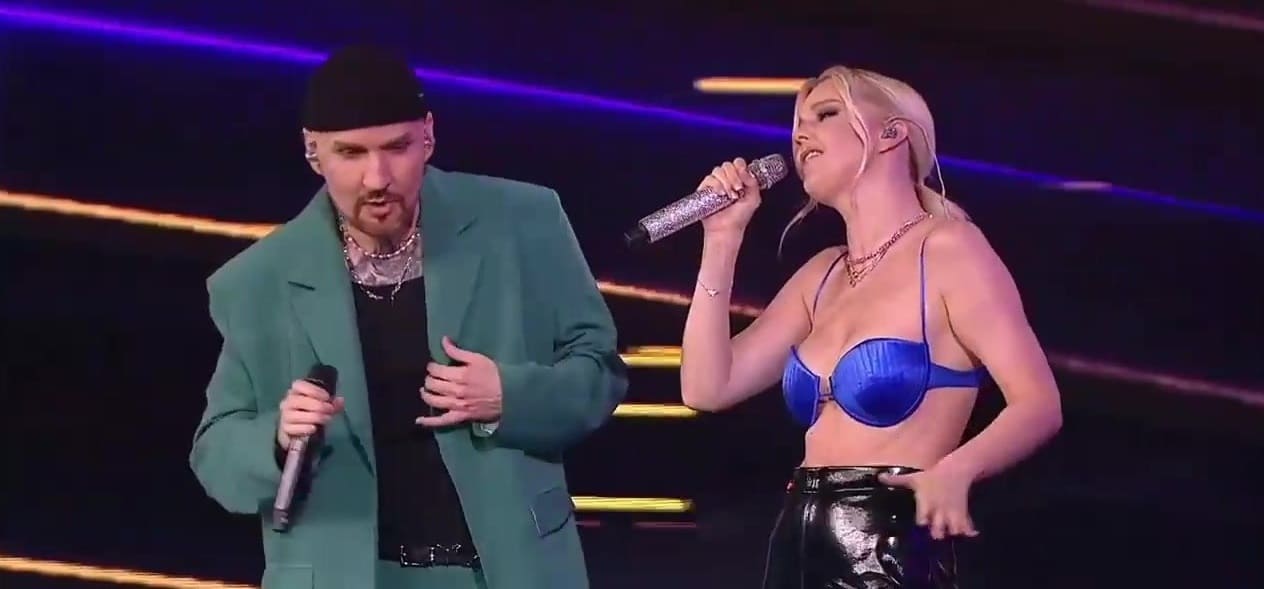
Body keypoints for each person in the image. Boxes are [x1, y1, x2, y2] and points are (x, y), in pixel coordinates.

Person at [188, 44, 628, 589]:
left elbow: (600, 370)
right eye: (351, 153)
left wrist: (509, 396)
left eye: (396, 147)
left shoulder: (522, 221)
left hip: (509, 571)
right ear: (313, 151)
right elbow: (216, 454)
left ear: (428, 136)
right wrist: (278, 437)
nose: (377, 177)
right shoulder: (258, 280)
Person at [679, 65, 1063, 588]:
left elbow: (1038, 403)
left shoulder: (949, 250)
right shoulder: (822, 275)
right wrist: (722, 241)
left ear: (892, 133)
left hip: (888, 546)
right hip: (797, 541)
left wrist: (957, 470)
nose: (801, 135)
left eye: (825, 114)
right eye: (797, 124)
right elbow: (706, 388)